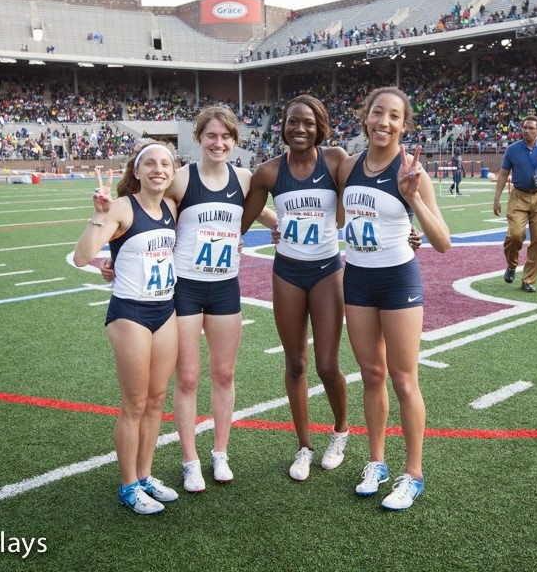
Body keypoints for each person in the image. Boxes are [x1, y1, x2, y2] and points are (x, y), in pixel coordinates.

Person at [336, 86, 451, 510]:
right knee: (371, 374)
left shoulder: (412, 171)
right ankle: (377, 462)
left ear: (404, 125)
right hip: (357, 280)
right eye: (377, 113)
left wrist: (413, 197)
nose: (383, 121)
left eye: (394, 116)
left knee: (404, 379)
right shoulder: (348, 166)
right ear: (365, 117)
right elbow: (333, 215)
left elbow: (443, 241)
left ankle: (413, 474)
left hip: (398, 279)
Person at [240, 95, 351, 482]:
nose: (300, 128)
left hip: (326, 272)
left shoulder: (335, 160)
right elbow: (240, 220)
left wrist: (406, 227)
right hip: (287, 272)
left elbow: (363, 201)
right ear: (282, 126)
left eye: (308, 122)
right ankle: (304, 446)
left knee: (326, 365)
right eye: (292, 122)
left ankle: (340, 431)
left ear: (320, 127)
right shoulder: (269, 171)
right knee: (296, 364)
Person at [72, 144, 180, 515]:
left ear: (172, 172)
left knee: (156, 399)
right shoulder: (121, 207)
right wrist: (98, 215)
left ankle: (145, 476)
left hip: (165, 310)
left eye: (165, 164)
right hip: (130, 312)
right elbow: (82, 257)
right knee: (134, 404)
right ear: (136, 170)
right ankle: (128, 485)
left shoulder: (172, 207)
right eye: (150, 163)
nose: (158, 169)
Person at [169, 107, 266, 492]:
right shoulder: (181, 179)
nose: (219, 143)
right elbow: (150, 212)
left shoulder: (244, 178)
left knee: (224, 373)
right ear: (198, 138)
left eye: (226, 136)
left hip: (225, 287)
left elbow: (260, 212)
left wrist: (288, 228)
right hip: (186, 287)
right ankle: (190, 460)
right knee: (188, 377)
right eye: (211, 135)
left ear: (234, 140)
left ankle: (220, 452)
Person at [492, 115, 537, 293]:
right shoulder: (512, 150)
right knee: (515, 235)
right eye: (524, 127)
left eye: (531, 128)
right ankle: (512, 264)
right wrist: (496, 199)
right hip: (519, 197)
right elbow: (503, 174)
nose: (527, 131)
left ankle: (528, 280)